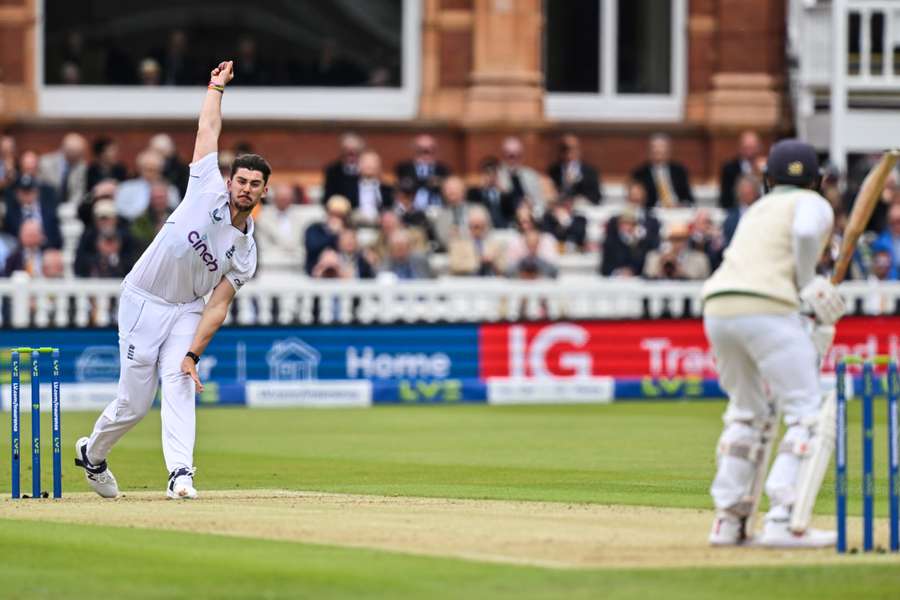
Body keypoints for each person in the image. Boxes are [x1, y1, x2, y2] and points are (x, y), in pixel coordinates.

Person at [74, 60, 265, 501]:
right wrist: (216, 87)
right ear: (230, 180)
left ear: (263, 192)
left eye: (255, 184)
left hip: (187, 308)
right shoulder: (205, 187)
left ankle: (181, 473)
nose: (246, 188)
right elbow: (207, 131)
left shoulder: (246, 252)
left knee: (179, 381)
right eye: (241, 180)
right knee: (135, 404)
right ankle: (93, 453)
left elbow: (218, 304)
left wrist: (194, 353)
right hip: (144, 298)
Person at [703, 139, 843, 548]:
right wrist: (806, 284)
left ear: (766, 180)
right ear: (818, 181)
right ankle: (783, 520)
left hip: (718, 307)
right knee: (807, 414)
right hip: (766, 306)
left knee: (746, 414)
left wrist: (801, 301)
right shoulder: (814, 203)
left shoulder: (755, 210)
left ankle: (728, 523)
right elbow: (802, 232)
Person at [115, 149, 180, 221]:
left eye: (155, 169)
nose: (151, 173)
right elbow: (120, 209)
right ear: (140, 169)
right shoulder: (127, 188)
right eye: (148, 169)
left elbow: (175, 210)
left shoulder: (170, 189)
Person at [631, 133, 694, 208]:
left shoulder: (679, 171)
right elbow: (638, 200)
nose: (658, 150)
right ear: (649, 150)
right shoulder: (640, 173)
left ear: (668, 150)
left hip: (677, 210)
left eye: (662, 147)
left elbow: (688, 198)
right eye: (655, 147)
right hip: (653, 212)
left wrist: (680, 205)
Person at [3, 174, 63, 249]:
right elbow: (8, 240)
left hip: (44, 253)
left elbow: (58, 240)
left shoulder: (49, 212)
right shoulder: (11, 215)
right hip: (20, 254)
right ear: (17, 194)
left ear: (37, 192)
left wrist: (42, 241)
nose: (27, 195)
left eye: (30, 191)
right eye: (24, 192)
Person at [394, 134, 451, 210]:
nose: (426, 153)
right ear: (415, 150)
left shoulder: (443, 169)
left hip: (437, 209)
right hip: (410, 210)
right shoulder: (404, 168)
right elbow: (399, 189)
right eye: (422, 150)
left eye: (430, 149)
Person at [547, 134, 601, 205]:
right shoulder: (553, 170)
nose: (568, 153)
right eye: (564, 149)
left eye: (572, 149)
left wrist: (581, 199)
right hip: (561, 208)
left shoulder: (589, 171)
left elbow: (596, 196)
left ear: (578, 150)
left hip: (583, 208)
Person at [497, 136, 545, 212]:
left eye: (518, 156)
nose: (515, 160)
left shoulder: (531, 175)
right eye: (511, 156)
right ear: (503, 156)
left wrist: (533, 212)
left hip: (530, 218)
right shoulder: (497, 176)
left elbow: (540, 203)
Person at [37, 132, 88, 204]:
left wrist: (71, 207)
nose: (79, 157)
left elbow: (79, 192)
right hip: (47, 204)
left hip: (70, 209)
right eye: (75, 153)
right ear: (64, 149)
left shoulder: (82, 166)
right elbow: (40, 189)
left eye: (80, 153)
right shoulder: (45, 163)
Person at [718, 131, 763, 210]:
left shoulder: (766, 167)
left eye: (752, 148)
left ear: (759, 148)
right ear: (740, 148)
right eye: (746, 148)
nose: (750, 152)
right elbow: (726, 198)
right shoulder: (730, 168)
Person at [322, 133, 364, 202]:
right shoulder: (333, 171)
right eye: (348, 151)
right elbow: (329, 196)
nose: (351, 154)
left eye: (354, 151)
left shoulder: (366, 169)